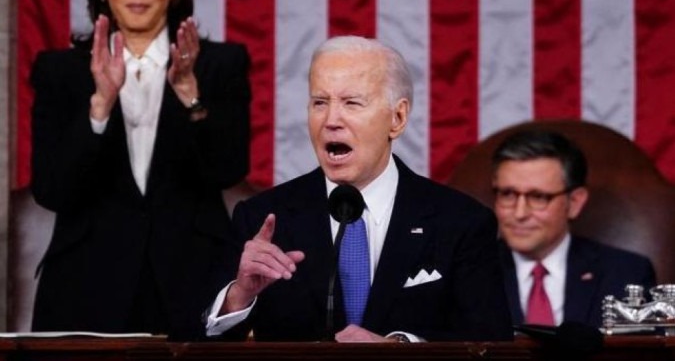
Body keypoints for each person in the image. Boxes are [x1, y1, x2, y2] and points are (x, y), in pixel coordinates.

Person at [204, 35, 513, 342]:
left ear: (398, 118)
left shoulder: (461, 222)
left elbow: (490, 344)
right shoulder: (261, 220)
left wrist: (401, 350)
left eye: (351, 103)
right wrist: (239, 296)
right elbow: (198, 346)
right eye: (319, 103)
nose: (331, 120)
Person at [30, 0, 249, 338]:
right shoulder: (60, 71)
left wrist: (190, 95)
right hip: (85, 286)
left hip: (191, 279)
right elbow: (52, 189)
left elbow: (227, 169)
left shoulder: (220, 65)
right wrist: (99, 105)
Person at [491, 129, 656, 328]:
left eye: (538, 197)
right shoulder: (468, 271)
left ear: (575, 202)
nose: (519, 213)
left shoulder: (626, 273)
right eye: (508, 194)